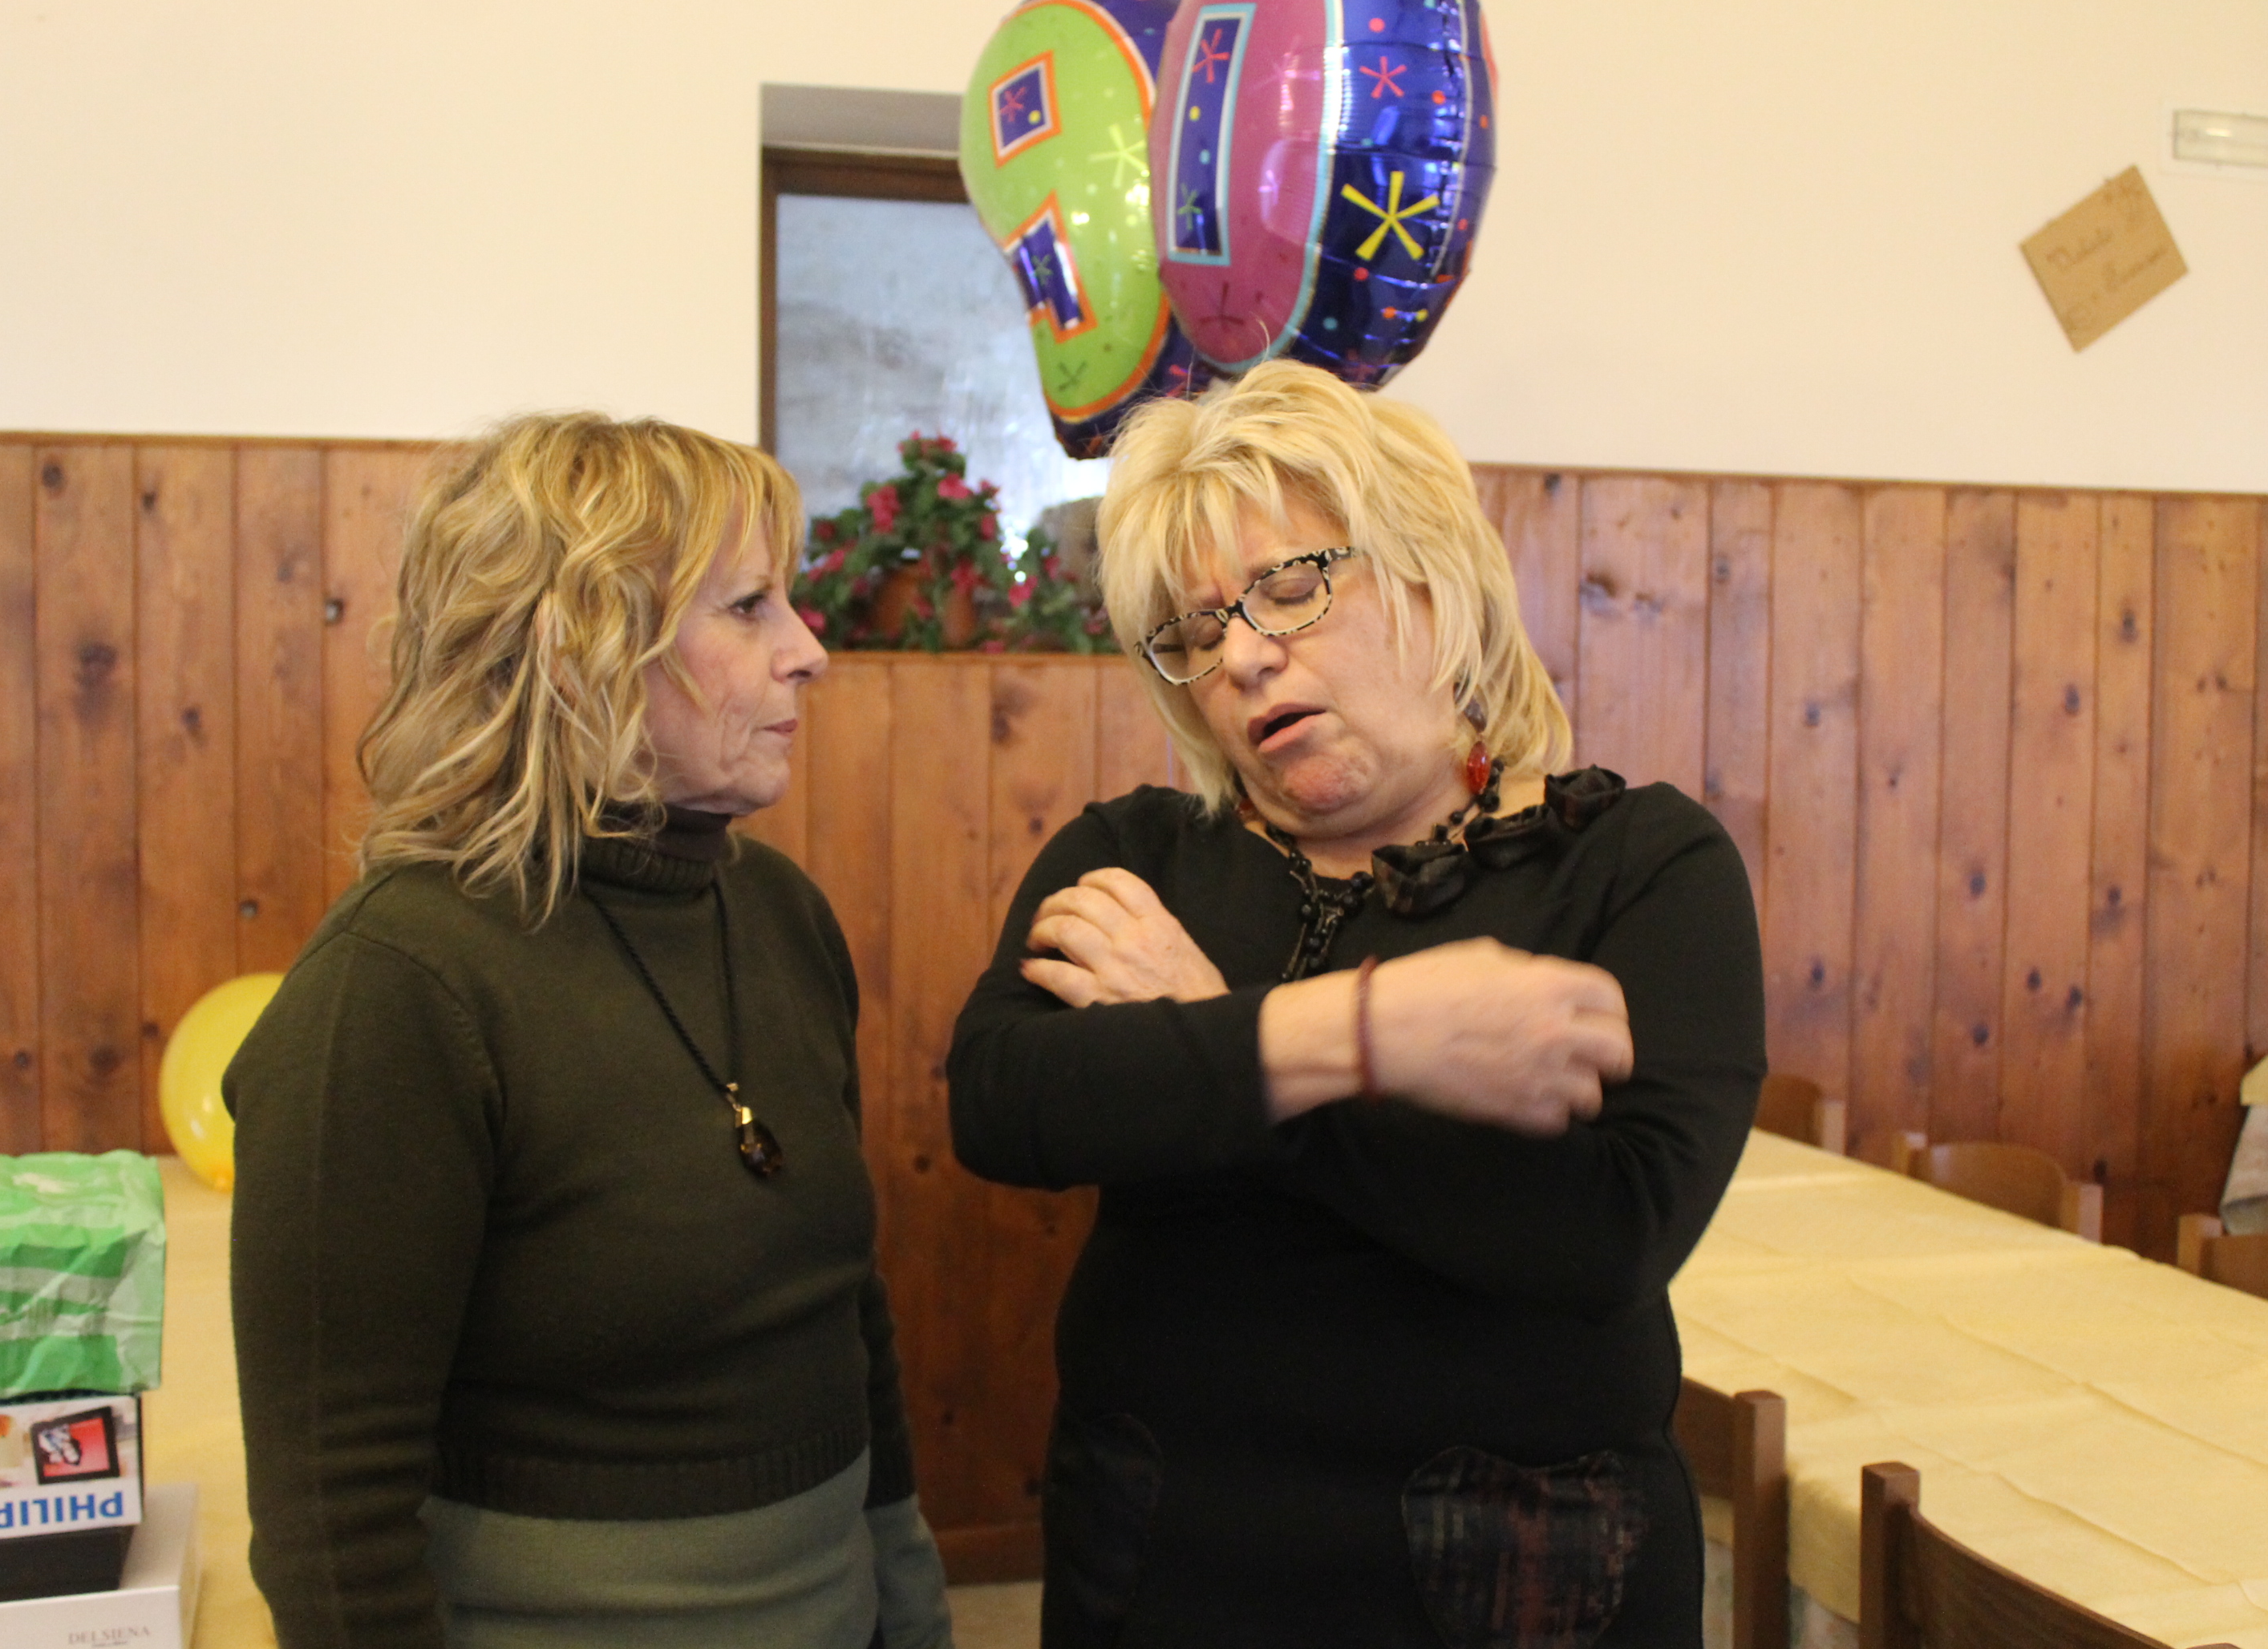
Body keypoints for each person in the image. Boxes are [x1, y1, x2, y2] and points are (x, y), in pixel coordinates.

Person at [949, 362, 1764, 1647]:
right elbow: (1006, 1102)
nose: (1243, 655)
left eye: (1291, 586)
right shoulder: (1141, 856)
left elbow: (1606, 1237)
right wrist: (1361, 1040)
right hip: (1166, 1567)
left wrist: (1201, 1038)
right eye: (1196, 631)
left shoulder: (1634, 864)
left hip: (1523, 1581)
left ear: (1438, 578)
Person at [228, 413, 954, 1649]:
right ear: (581, 651)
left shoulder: (780, 915)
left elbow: (845, 1316)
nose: (809, 652)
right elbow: (332, 1515)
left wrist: (911, 1600)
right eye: (749, 607)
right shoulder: (397, 986)